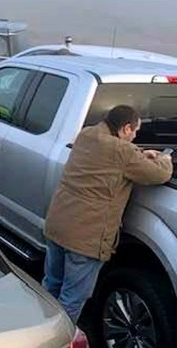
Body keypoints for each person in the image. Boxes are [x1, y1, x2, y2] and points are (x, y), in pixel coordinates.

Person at [42, 105, 172, 323]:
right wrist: (164, 160)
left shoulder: (86, 135)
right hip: (85, 239)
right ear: (126, 128)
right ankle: (57, 344)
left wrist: (140, 153)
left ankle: (39, 326)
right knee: (72, 298)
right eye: (135, 132)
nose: (135, 136)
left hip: (58, 225)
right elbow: (159, 174)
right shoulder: (123, 153)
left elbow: (114, 155)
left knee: (51, 284)